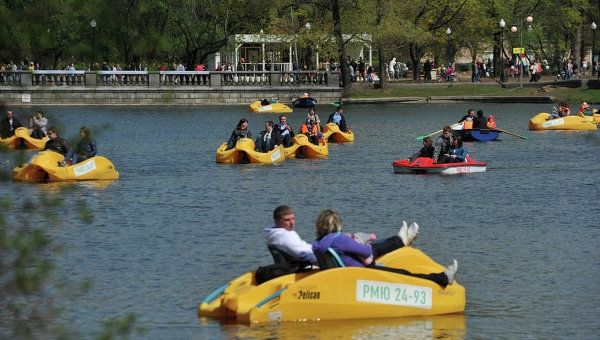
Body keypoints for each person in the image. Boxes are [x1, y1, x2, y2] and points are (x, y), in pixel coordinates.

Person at [311, 209, 458, 287]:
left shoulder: (317, 244)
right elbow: (367, 252)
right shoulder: (339, 239)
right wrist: (363, 244)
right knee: (403, 273)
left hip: (343, 277)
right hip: (361, 275)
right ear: (337, 224)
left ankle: (400, 240)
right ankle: (443, 279)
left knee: (376, 249)